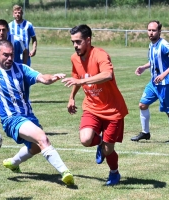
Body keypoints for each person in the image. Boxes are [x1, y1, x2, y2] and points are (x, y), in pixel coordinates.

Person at [0, 40, 74, 186]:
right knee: (43, 139)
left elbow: (42, 77)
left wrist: (51, 78)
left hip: (29, 117)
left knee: (36, 147)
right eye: (6, 55)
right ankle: (65, 172)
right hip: (11, 120)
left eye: (12, 55)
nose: (10, 58)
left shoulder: (21, 68)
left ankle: (13, 162)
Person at [61, 24, 128, 186]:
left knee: (108, 150)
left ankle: (114, 173)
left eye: (78, 42)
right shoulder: (74, 58)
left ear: (88, 40)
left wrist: (81, 81)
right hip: (91, 107)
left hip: (113, 110)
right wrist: (72, 98)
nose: (75, 46)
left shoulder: (100, 55)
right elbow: (77, 77)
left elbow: (107, 74)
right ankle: (100, 143)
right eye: (73, 42)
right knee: (85, 139)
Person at [131, 20, 169, 143]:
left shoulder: (164, 45)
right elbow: (153, 61)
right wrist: (144, 67)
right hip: (154, 83)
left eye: (154, 30)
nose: (151, 33)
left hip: (166, 83)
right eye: (149, 30)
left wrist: (164, 74)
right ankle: (145, 132)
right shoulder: (151, 45)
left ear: (159, 31)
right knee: (142, 104)